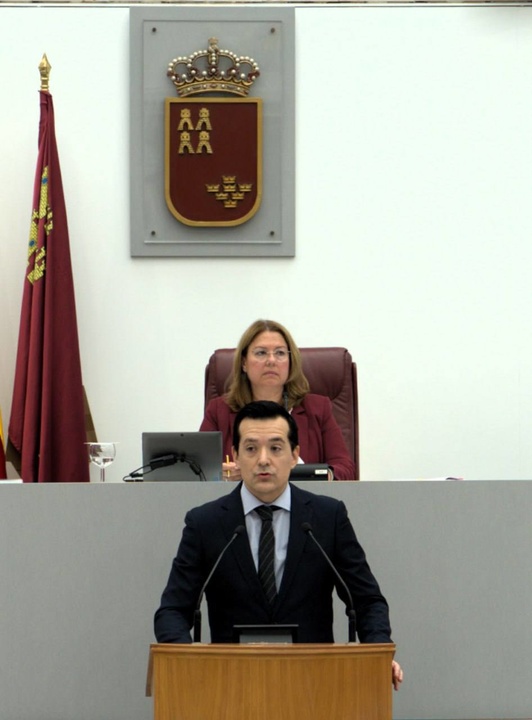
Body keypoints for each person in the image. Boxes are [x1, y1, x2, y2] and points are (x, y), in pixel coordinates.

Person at [155, 400, 403, 690]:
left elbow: (366, 600)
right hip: (229, 685)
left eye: (275, 448)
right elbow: (172, 609)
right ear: (235, 455)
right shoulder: (205, 523)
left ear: (294, 454)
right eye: (250, 448)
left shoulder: (326, 517)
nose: (263, 460)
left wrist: (378, 651)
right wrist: (183, 656)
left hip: (316, 683)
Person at [200, 319, 357, 480]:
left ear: (290, 362)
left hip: (303, 502)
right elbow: (199, 471)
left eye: (280, 353)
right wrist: (220, 474)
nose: (271, 361)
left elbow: (345, 469)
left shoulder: (318, 408)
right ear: (244, 362)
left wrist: (317, 476)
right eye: (261, 352)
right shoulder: (219, 411)